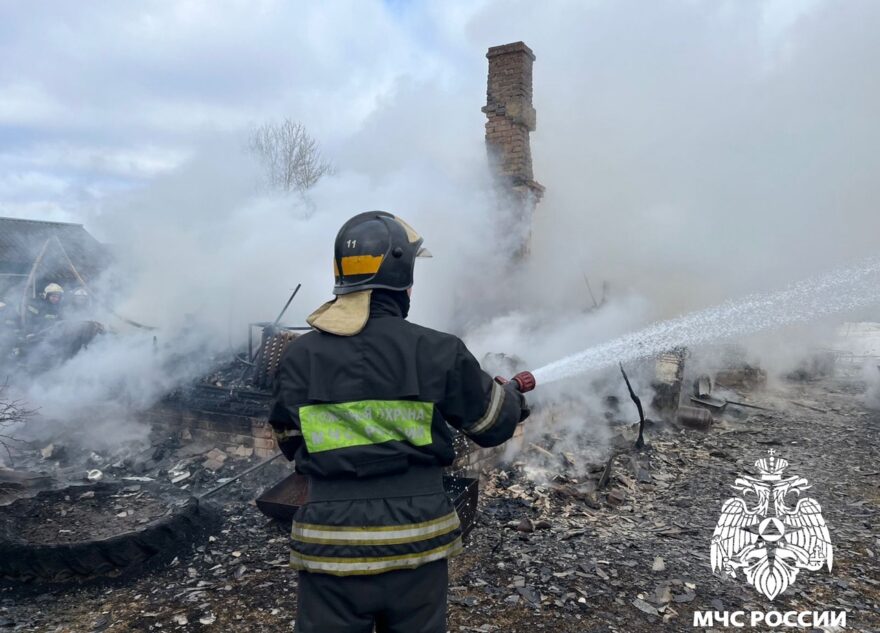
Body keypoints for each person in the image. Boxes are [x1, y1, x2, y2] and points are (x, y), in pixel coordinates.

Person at [269, 211, 530, 633]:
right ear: (402, 278)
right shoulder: (438, 350)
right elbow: (492, 426)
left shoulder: (300, 356)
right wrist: (512, 398)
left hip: (330, 546)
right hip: (417, 545)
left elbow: (289, 441)